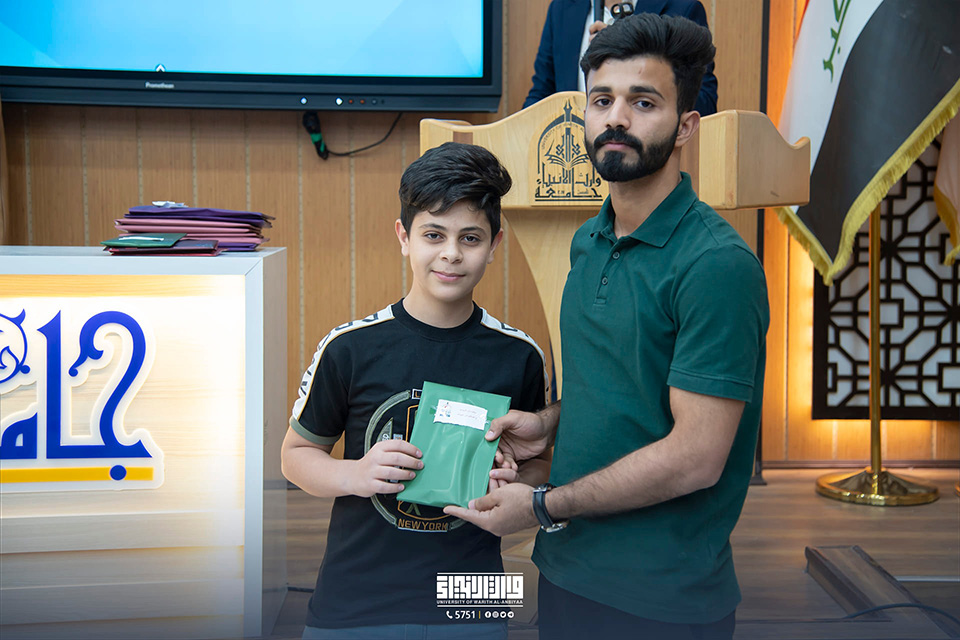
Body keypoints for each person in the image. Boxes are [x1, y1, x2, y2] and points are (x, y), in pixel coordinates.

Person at [446, 13, 768, 640]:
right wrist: (549, 423)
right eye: (601, 101)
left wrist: (542, 506)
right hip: (567, 570)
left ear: (686, 126)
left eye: (643, 102)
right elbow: (625, 387)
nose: (616, 118)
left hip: (663, 599)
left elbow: (696, 458)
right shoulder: (589, 241)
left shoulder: (716, 265)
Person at [281, 142, 549, 640]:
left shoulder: (521, 355)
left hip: (476, 596)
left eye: (471, 238)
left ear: (495, 244)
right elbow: (294, 457)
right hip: (355, 597)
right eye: (433, 234)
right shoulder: (349, 347)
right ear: (404, 237)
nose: (451, 253)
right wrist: (355, 473)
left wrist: (516, 480)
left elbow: (539, 462)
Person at [522, 0, 718, 116]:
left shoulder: (682, 7)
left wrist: (626, 53)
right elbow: (541, 94)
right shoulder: (561, 8)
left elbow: (704, 103)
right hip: (572, 157)